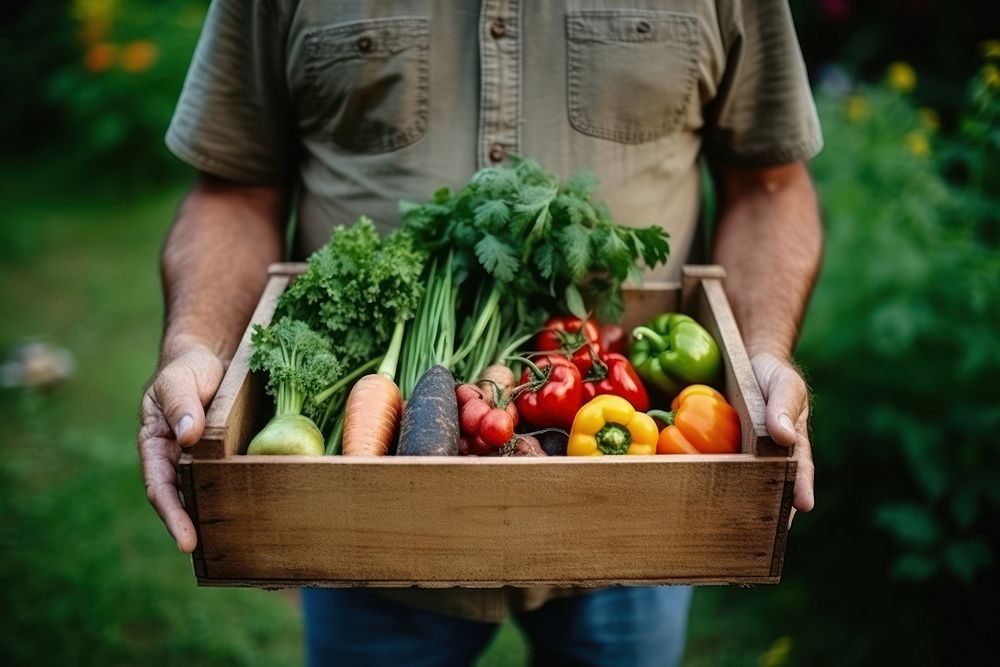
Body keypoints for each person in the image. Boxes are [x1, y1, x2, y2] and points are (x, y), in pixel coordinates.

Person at [138, 1, 821, 665]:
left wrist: (760, 356)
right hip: (366, 528)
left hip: (641, 511)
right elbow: (234, 191)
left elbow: (769, 185)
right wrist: (196, 347)